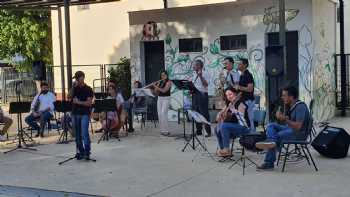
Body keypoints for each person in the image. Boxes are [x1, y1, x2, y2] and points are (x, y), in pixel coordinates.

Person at [255, 86, 310, 170]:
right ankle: (272, 142)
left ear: (291, 97)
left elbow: (298, 126)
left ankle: (269, 162)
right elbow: (289, 122)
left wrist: (284, 119)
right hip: (290, 129)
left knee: (278, 135)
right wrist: (282, 117)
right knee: (271, 125)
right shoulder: (291, 106)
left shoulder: (300, 107)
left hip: (299, 134)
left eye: (284, 95)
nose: (282, 97)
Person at [215, 87, 250, 157]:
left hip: (243, 127)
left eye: (230, 94)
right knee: (217, 128)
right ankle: (223, 150)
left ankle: (226, 149)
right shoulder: (229, 103)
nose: (229, 97)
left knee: (224, 126)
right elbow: (221, 113)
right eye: (227, 95)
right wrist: (220, 114)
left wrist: (233, 109)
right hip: (233, 127)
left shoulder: (241, 103)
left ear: (235, 93)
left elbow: (241, 115)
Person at [70, 71, 94, 160]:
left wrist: (78, 102)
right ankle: (81, 152)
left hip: (84, 113)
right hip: (75, 113)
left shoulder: (88, 89)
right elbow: (69, 96)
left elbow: (89, 103)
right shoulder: (74, 89)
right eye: (75, 78)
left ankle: (87, 152)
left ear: (83, 77)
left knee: (84, 134)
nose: (76, 79)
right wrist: (72, 87)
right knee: (77, 135)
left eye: (78, 77)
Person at [192, 60, 211, 137]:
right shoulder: (194, 74)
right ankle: (198, 130)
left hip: (202, 95)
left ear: (200, 66)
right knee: (196, 113)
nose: (194, 66)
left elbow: (206, 84)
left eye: (195, 65)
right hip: (195, 94)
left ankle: (207, 131)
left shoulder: (205, 73)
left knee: (204, 113)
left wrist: (201, 76)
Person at [235, 58, 255, 132]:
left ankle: (252, 134)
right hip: (243, 100)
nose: (238, 65)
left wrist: (239, 87)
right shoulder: (241, 75)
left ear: (245, 65)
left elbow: (250, 89)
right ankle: (245, 134)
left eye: (240, 64)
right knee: (243, 119)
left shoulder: (248, 75)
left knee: (249, 119)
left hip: (248, 100)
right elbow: (239, 89)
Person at [153, 70, 172, 136]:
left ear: (167, 75)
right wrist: (155, 87)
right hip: (160, 98)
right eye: (162, 75)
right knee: (160, 114)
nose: (163, 76)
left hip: (166, 98)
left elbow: (164, 90)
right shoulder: (160, 82)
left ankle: (166, 131)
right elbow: (156, 92)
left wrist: (156, 87)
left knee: (164, 113)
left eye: (164, 75)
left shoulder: (169, 82)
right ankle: (162, 130)